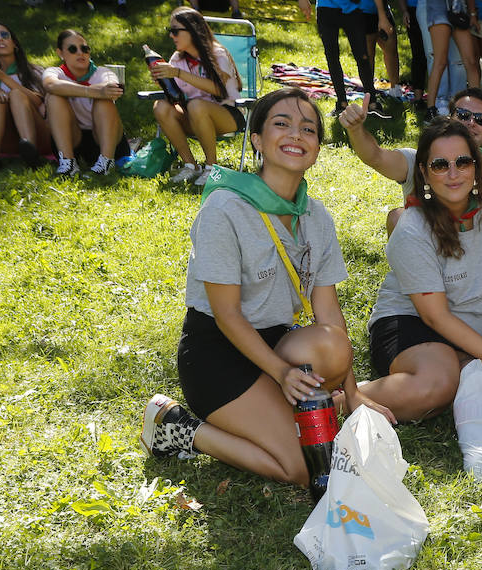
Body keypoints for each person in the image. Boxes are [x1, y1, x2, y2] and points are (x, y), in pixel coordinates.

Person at [140, 88, 393, 489]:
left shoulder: (315, 215)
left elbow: (327, 311)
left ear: (317, 149)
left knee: (330, 344)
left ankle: (297, 405)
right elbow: (226, 315)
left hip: (278, 344)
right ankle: (178, 426)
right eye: (282, 124)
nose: (296, 135)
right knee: (300, 467)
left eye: (308, 129)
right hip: (218, 352)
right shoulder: (225, 208)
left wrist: (353, 390)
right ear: (257, 140)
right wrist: (282, 373)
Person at [361, 118, 482, 421]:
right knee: (440, 383)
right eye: (440, 165)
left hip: (467, 330)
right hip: (410, 321)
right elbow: (434, 316)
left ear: (476, 167)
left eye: (463, 162)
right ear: (424, 173)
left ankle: (459, 367)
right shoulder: (412, 230)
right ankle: (346, 399)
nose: (453, 174)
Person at [343, 87, 482, 272]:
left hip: (476, 256)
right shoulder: (419, 160)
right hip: (432, 252)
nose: (471, 122)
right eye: (463, 115)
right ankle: (414, 290)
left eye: (480, 120)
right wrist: (356, 130)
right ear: (449, 119)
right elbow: (376, 157)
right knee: (398, 217)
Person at [149, 8, 243, 186]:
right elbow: (176, 95)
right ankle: (190, 165)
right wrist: (164, 82)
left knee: (196, 105)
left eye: (175, 31)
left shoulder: (217, 54)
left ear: (192, 30)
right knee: (160, 106)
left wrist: (178, 73)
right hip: (193, 116)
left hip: (227, 116)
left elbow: (220, 89)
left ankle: (212, 168)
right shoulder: (178, 58)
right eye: (170, 31)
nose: (171, 35)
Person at [42, 28, 125, 177]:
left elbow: (111, 87)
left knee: (104, 101)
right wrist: (94, 91)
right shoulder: (54, 72)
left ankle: (106, 162)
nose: (80, 53)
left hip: (103, 139)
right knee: (54, 97)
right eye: (73, 49)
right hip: (72, 140)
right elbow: (51, 85)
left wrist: (100, 93)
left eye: (85, 49)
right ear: (60, 53)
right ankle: (68, 163)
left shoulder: (103, 72)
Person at [0, 22, 50, 171]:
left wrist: (3, 78)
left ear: (14, 42)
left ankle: (32, 155)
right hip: (6, 139)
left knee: (16, 94)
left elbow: (36, 102)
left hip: (40, 136)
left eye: (4, 35)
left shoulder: (33, 72)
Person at [296, 0, 387, 119]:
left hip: (353, 8)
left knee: (362, 57)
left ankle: (372, 103)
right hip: (326, 8)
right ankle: (342, 104)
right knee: (332, 56)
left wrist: (382, 15)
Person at [418, 0, 480, 123]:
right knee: (439, 61)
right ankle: (430, 110)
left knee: (471, 61)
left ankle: (478, 110)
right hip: (437, 7)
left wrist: (472, 14)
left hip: (458, 6)